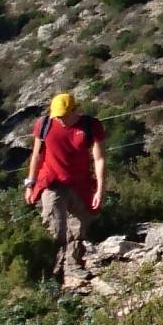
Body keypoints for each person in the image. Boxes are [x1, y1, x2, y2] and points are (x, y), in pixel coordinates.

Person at [27, 92, 106, 288]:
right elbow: (36, 156)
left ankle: (74, 264)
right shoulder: (44, 124)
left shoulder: (90, 126)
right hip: (51, 182)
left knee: (79, 227)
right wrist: (30, 183)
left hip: (80, 184)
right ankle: (54, 273)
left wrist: (100, 189)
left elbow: (99, 159)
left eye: (63, 115)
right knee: (56, 229)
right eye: (57, 116)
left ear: (74, 110)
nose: (59, 119)